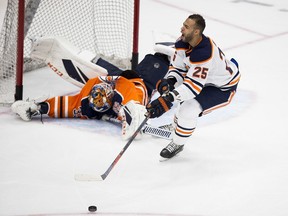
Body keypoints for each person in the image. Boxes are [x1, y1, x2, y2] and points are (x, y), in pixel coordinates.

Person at [11, 37, 171, 140]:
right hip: (122, 81)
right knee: (145, 74)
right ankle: (162, 59)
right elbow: (66, 105)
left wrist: (134, 117)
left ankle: (164, 58)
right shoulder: (87, 104)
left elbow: (131, 101)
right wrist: (39, 108)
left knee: (144, 73)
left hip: (131, 82)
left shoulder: (124, 93)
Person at [146, 14, 241, 159]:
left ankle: (178, 143)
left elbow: (192, 88)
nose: (181, 28)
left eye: (186, 27)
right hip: (207, 79)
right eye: (183, 24)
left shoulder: (204, 53)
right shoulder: (183, 42)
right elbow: (178, 68)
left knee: (188, 109)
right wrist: (170, 81)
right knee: (182, 98)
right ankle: (176, 127)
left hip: (223, 87)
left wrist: (169, 98)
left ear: (196, 31)